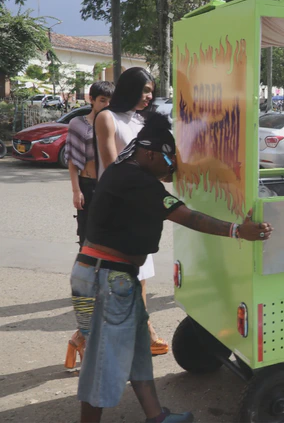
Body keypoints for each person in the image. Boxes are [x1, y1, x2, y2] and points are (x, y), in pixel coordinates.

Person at [72, 113, 272, 423]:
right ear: (150, 153)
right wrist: (237, 231)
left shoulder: (125, 171)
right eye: (168, 159)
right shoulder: (136, 181)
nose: (171, 168)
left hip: (112, 276)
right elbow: (187, 216)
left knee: (138, 352)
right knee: (103, 362)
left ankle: (157, 417)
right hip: (107, 279)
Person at [93, 67, 167, 355]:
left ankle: (141, 333)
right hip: (118, 207)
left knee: (140, 275)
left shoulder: (142, 120)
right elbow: (113, 168)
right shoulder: (106, 118)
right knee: (118, 279)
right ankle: (91, 336)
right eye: (144, 90)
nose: (149, 96)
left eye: (151, 91)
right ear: (129, 89)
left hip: (141, 205)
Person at [64, 80, 114, 370]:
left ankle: (95, 288)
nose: (106, 105)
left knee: (105, 243)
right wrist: (75, 190)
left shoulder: (113, 122)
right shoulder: (79, 125)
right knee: (87, 242)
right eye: (102, 101)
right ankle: (86, 284)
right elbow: (72, 159)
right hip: (87, 184)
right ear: (92, 100)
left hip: (107, 188)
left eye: (109, 101)